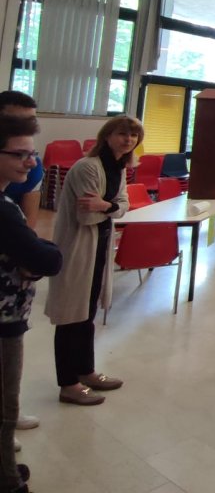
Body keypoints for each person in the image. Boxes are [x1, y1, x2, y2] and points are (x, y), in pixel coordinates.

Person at [45, 115, 143, 406]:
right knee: (71, 316)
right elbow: (88, 216)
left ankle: (85, 371)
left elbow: (123, 206)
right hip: (78, 246)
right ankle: (68, 384)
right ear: (107, 135)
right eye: (122, 133)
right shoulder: (88, 167)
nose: (128, 140)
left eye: (134, 135)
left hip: (100, 244)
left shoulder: (119, 167)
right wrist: (111, 208)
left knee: (87, 313)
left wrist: (106, 206)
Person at [0, 115, 62, 491]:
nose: (31, 162)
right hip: (4, 321)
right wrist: (46, 250)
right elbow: (46, 259)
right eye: (20, 154)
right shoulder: (5, 210)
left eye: (33, 153)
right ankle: (8, 481)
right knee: (5, 409)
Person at [0, 93, 42, 230]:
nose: (24, 127)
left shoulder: (33, 166)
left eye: (31, 121)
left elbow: (28, 224)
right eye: (14, 122)